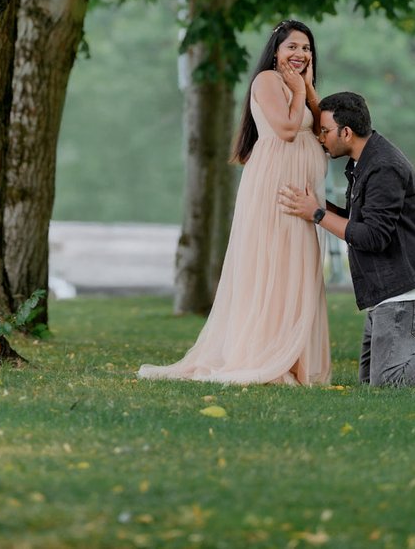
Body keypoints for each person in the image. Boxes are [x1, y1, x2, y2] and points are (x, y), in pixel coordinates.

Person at [139, 20, 331, 385]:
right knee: (274, 265)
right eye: (292, 46)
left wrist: (307, 89)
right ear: (276, 50)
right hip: (277, 188)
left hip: (302, 192)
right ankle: (265, 353)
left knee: (297, 267)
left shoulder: (301, 87)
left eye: (306, 48)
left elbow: (324, 129)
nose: (300, 53)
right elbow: (287, 130)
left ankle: (293, 358)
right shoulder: (268, 81)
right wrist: (296, 91)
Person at [277, 91, 415, 392]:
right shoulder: (364, 161)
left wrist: (318, 214)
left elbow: (373, 237)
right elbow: (361, 220)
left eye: (325, 131)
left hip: (405, 292)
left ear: (346, 132)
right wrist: (318, 206)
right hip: (388, 290)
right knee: (371, 384)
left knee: (387, 382)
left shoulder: (384, 167)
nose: (321, 138)